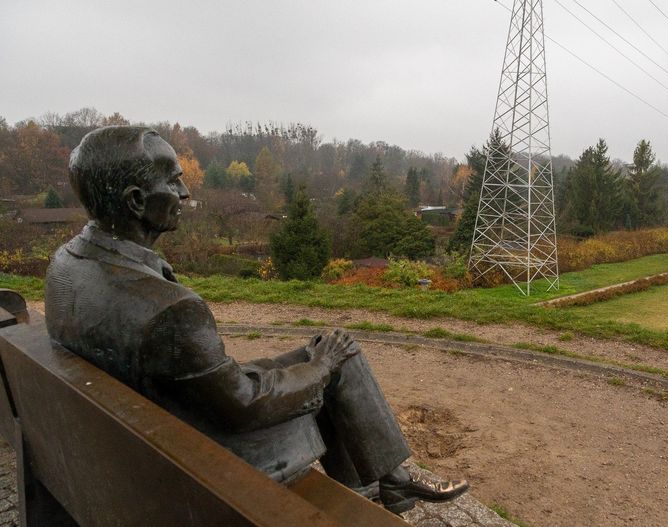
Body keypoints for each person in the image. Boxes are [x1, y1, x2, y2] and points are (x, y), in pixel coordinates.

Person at [44, 126, 468, 514]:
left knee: (333, 350)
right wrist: (320, 369)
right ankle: (376, 490)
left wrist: (318, 363)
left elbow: (212, 383)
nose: (185, 192)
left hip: (155, 432)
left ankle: (387, 481)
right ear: (136, 200)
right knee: (332, 361)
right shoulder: (171, 310)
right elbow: (244, 406)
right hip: (207, 461)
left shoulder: (67, 264)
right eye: (173, 181)